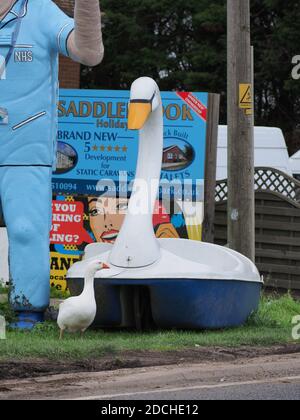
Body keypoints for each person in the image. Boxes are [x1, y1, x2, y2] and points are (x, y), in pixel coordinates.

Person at [0, 0, 104, 328]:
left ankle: (28, 310)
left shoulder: (41, 11)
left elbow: (88, 53)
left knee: (27, 227)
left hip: (24, 144)